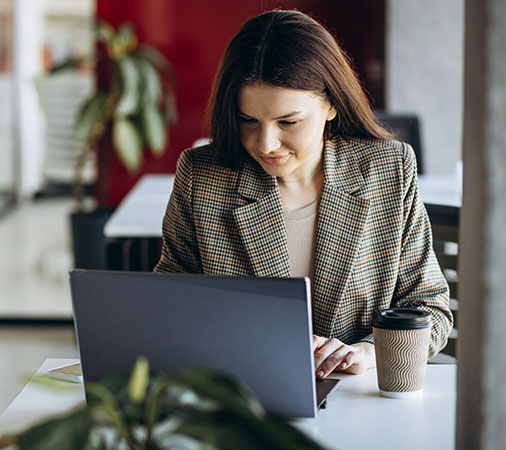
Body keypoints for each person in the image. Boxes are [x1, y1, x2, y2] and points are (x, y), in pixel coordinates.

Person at [153, 10, 453, 379]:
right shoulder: (202, 177)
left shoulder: (388, 170)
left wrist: (369, 352)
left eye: (288, 122)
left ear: (330, 104)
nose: (266, 144)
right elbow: (169, 308)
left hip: (356, 400)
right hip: (243, 395)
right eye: (248, 120)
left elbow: (430, 309)